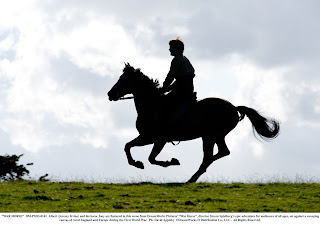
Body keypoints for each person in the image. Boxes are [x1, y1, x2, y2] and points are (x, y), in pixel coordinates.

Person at [160, 37, 197, 128]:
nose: (169, 49)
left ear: (175, 49)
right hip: (188, 90)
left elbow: (171, 76)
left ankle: (168, 127)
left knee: (163, 103)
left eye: (171, 47)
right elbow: (180, 79)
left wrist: (164, 88)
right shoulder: (185, 59)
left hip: (181, 91)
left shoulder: (176, 60)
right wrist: (168, 88)